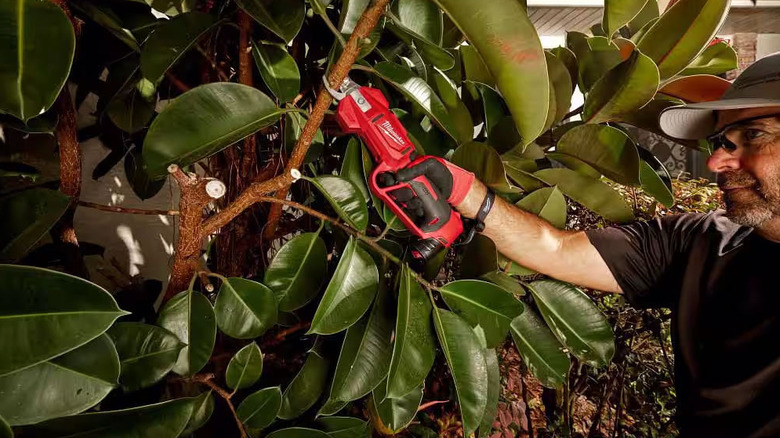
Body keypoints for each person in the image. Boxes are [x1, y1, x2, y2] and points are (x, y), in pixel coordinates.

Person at [395, 51, 780, 437]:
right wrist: (461, 189)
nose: (716, 162)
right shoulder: (697, 242)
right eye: (720, 141)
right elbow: (555, 249)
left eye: (752, 135)